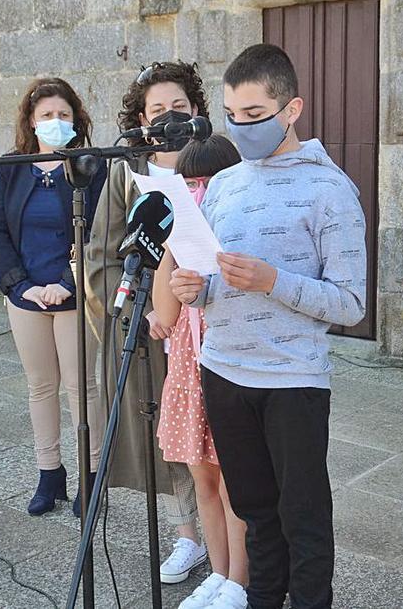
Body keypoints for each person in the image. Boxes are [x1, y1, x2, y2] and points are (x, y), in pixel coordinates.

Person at [171, 43, 368, 609]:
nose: (241, 127)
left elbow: (351, 303)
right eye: (232, 115)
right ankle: (262, 598)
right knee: (256, 511)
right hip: (223, 369)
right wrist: (195, 289)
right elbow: (207, 276)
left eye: (254, 115)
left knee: (302, 518)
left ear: (291, 109)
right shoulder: (228, 182)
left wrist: (272, 281)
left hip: (291, 380)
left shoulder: (330, 191)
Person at [84, 61, 207, 583]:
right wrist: (141, 313)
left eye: (179, 107)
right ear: (141, 117)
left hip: (207, 320)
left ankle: (236, 543)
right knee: (174, 437)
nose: (169, 117)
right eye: (158, 109)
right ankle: (189, 536)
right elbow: (102, 253)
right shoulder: (125, 170)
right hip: (151, 324)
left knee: (217, 441)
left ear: (197, 110)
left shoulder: (216, 160)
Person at [0, 77, 108, 517]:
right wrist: (21, 285)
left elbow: (98, 232)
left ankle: (92, 477)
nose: (55, 122)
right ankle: (48, 473)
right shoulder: (12, 165)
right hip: (26, 294)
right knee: (40, 387)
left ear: (76, 121)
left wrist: (66, 282)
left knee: (81, 387)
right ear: (30, 122)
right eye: (46, 116)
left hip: (75, 292)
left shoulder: (92, 167)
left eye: (63, 115)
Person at [152, 135, 249, 609]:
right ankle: (217, 571)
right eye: (189, 183)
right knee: (202, 476)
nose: (198, 192)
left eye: (207, 182)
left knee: (235, 482)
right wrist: (174, 242)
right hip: (189, 365)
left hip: (229, 363)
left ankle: (240, 581)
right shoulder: (182, 242)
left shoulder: (242, 233)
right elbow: (164, 312)